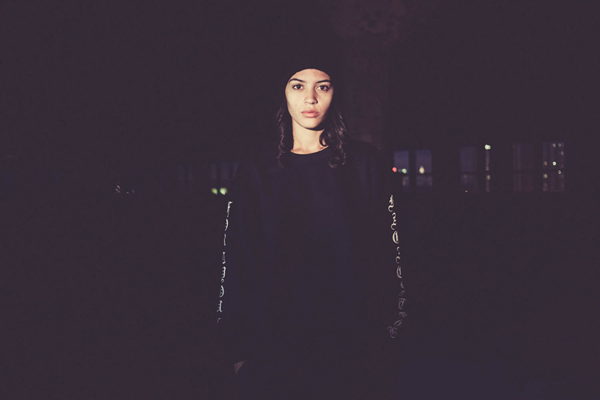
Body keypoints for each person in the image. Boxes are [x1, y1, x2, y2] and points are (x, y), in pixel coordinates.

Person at [216, 52, 407, 400]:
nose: (310, 98)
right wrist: (237, 349)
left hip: (352, 347)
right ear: (283, 92)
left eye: (322, 86)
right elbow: (237, 259)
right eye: (298, 86)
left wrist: (392, 333)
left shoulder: (364, 164)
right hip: (274, 346)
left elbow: (390, 255)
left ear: (335, 93)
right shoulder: (257, 170)